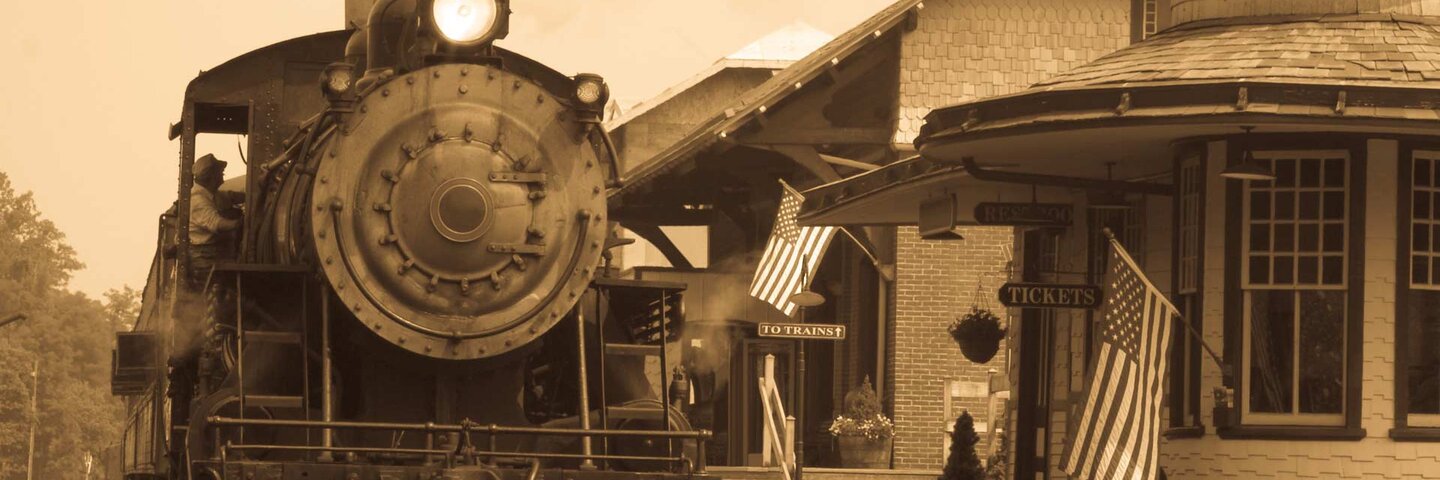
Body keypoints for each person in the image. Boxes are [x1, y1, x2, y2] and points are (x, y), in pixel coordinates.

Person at [188, 153, 241, 287]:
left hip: (212, 253)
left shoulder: (209, 193)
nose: (223, 174)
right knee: (231, 285)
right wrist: (240, 224)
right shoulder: (198, 200)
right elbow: (217, 224)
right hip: (205, 258)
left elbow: (228, 196)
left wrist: (251, 195)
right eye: (220, 172)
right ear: (211, 176)